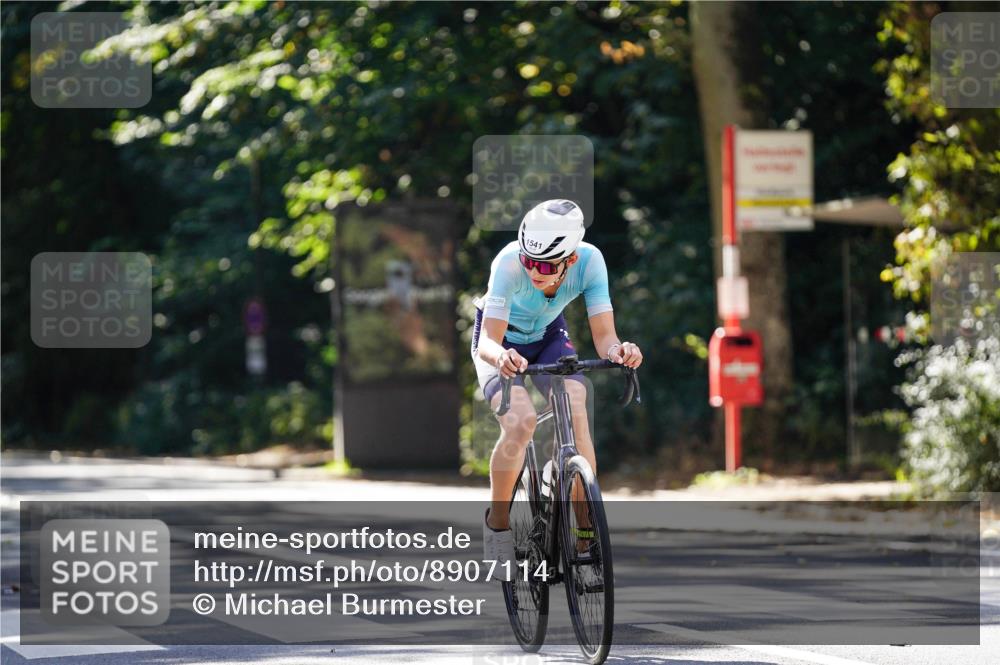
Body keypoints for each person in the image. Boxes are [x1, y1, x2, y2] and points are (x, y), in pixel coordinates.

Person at [472, 199, 643, 565]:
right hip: (501, 342)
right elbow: (488, 339)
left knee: (576, 405)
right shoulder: (508, 262)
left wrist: (620, 351)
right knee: (521, 423)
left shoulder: (591, 261)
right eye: (529, 261)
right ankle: (498, 524)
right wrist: (502, 356)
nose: (534, 270)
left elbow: (605, 336)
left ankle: (584, 532)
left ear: (572, 260)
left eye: (545, 265)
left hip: (549, 336)